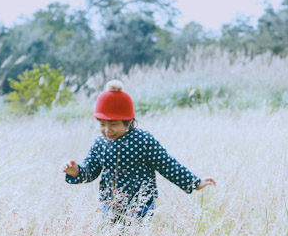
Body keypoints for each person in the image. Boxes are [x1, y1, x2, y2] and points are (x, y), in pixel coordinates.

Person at [61, 79, 216, 227]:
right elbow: (90, 170)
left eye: (113, 124)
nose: (107, 130)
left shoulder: (143, 140)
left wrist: (194, 183)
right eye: (102, 124)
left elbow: (167, 164)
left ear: (128, 121)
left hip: (141, 204)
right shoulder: (100, 143)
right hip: (110, 204)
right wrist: (76, 171)